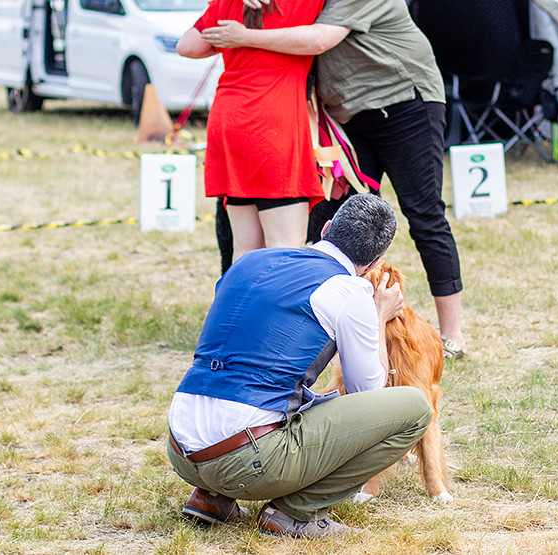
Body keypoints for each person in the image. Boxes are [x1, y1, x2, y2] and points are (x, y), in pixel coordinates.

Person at [207, 0, 469, 358]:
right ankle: (325, 321)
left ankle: (453, 335)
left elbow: (320, 39)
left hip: (404, 101)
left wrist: (245, 37)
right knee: (332, 219)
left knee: (424, 213)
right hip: (348, 114)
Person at [167, 193, 432, 539]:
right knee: (414, 407)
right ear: (374, 262)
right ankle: (296, 512)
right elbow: (369, 390)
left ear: (325, 228)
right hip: (246, 460)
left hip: (181, 448)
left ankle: (210, 497)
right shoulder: (350, 291)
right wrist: (379, 315)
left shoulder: (250, 260)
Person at [176, 0, 385, 263]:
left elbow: (188, 46)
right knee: (286, 249)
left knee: (244, 250)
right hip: (274, 124)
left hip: (229, 120)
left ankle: (238, 302)